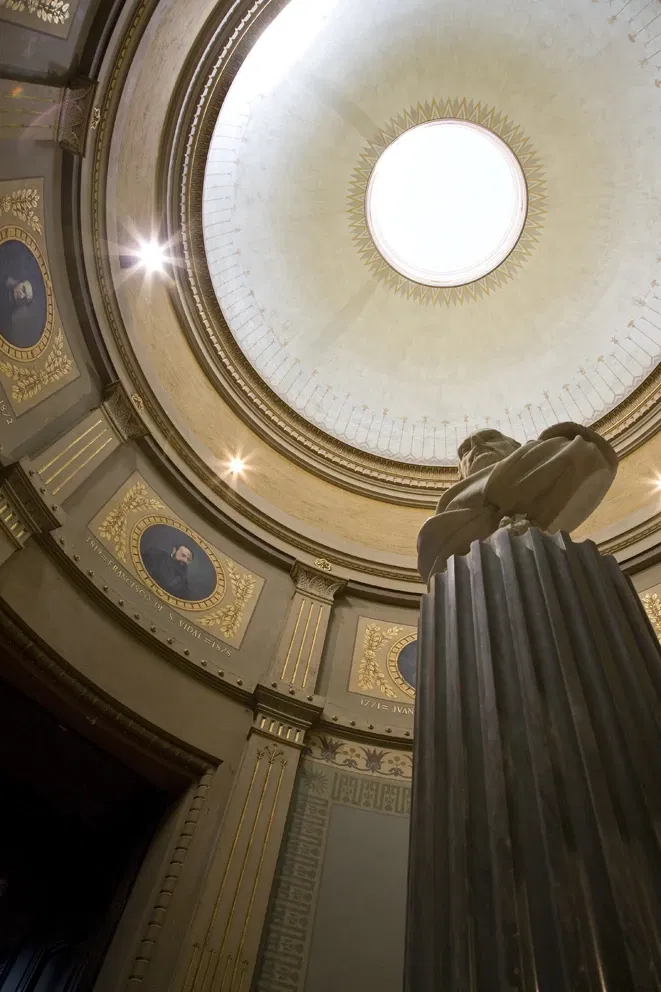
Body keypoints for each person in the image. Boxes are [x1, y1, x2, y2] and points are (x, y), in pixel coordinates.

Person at [417, 422, 618, 583]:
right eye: (465, 451)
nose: (476, 444)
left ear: (516, 447)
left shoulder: (571, 452)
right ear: (461, 475)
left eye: (490, 437)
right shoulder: (437, 532)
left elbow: (590, 457)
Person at [0, 275, 35, 346]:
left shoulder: (6, 322)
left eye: (25, 300)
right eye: (23, 289)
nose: (21, 296)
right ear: (19, 282)